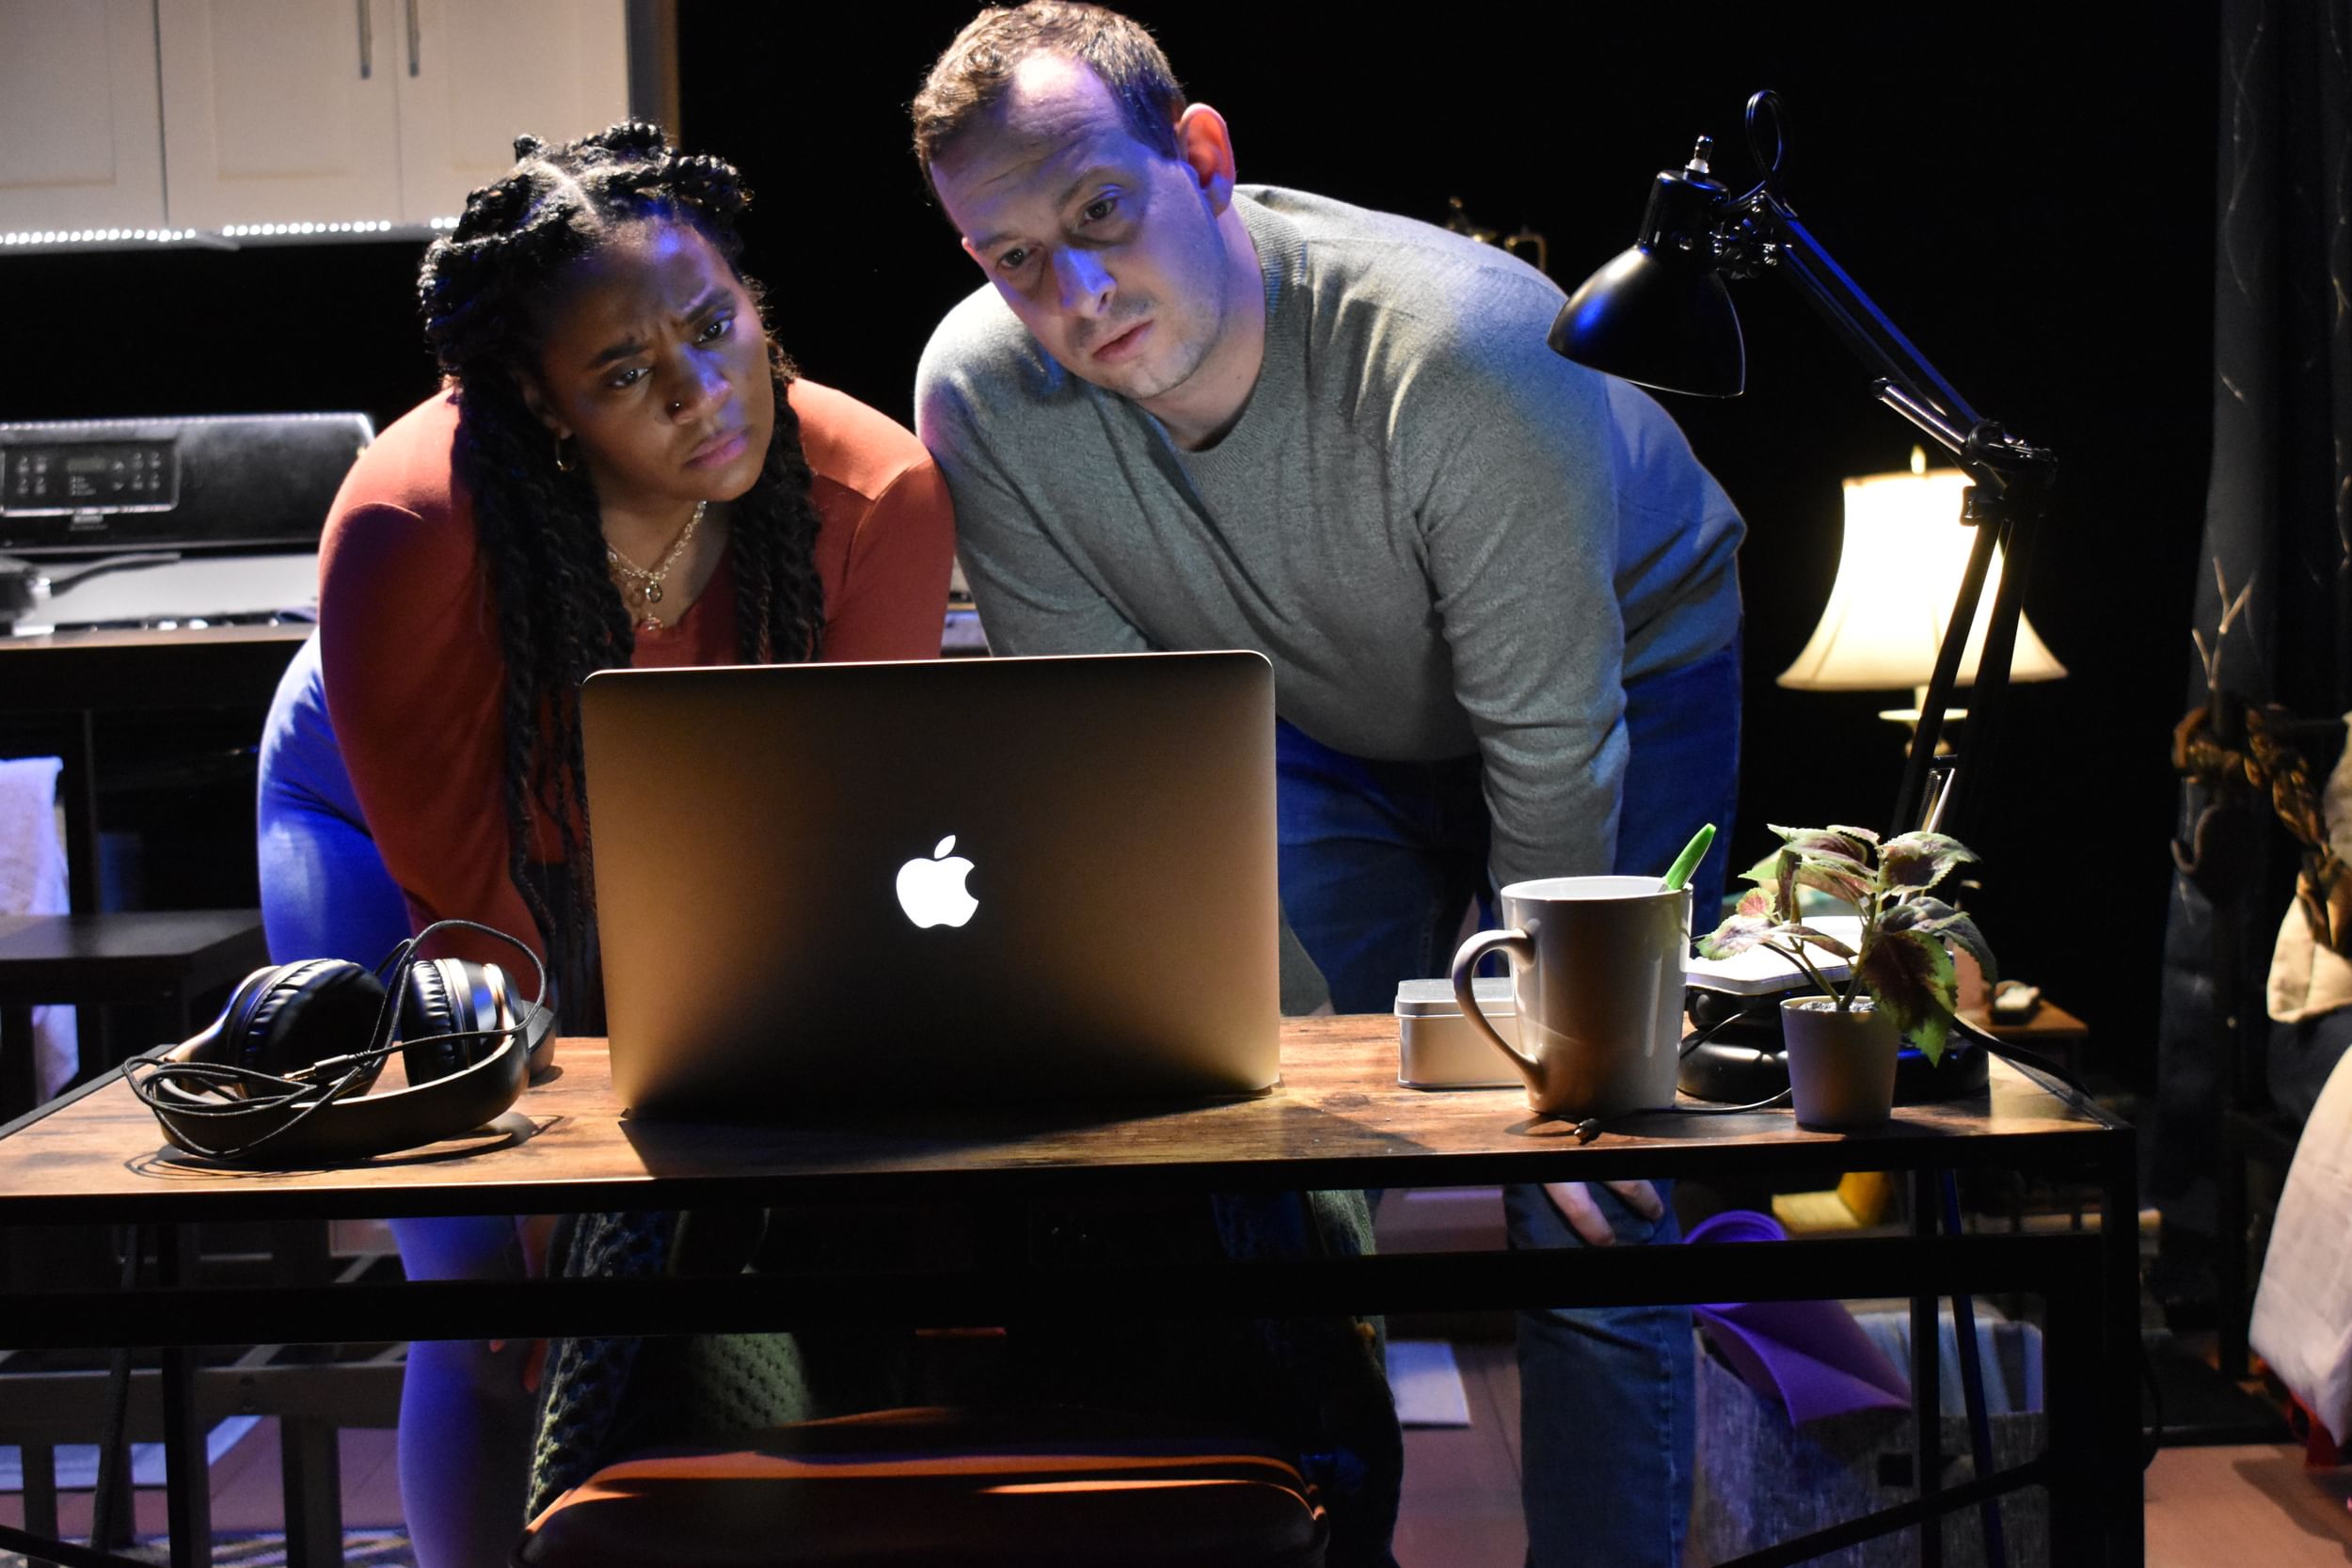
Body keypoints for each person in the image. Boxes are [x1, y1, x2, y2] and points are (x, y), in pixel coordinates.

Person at [909, 7, 1744, 1564]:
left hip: (1620, 667)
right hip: (1312, 712)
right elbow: (1133, 767)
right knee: (1256, 1147)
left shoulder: (1464, 346)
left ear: (1204, 158)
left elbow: (1553, 748)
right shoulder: (983, 402)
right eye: (1013, 256)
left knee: (1588, 1181)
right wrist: (1282, 1049)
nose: (1073, 294)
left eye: (1099, 210)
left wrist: (1557, 1064)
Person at [315, 122, 958, 1568]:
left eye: (717, 325)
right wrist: (562, 1199)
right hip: (419, 835)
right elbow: (470, 908)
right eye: (623, 374)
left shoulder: (877, 497)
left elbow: (843, 851)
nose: (703, 390)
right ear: (545, 406)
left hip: (705, 869)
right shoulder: (418, 527)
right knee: (496, 1289)